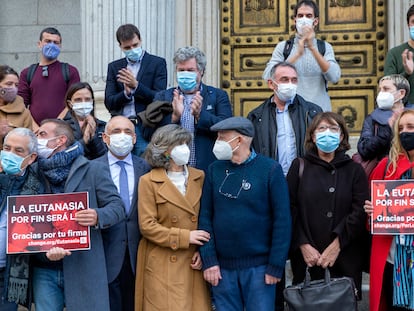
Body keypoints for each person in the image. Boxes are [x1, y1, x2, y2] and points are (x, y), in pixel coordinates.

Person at [198, 116, 291, 311]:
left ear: (239, 140)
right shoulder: (214, 170)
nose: (217, 143)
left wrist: (275, 265)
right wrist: (209, 261)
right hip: (222, 270)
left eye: (222, 138)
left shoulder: (270, 170)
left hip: (260, 269)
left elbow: (282, 221)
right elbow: (205, 217)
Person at [32, 119, 124, 311]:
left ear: (60, 140)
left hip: (84, 265)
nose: (36, 138)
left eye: (42, 135)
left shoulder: (93, 169)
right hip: (45, 268)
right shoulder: (33, 171)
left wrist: (98, 215)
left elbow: (117, 207)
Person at [286, 112, 368, 299]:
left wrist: (337, 245)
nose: (327, 133)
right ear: (313, 136)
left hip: (345, 256)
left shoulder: (354, 169)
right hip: (308, 259)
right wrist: (303, 244)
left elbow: (359, 211)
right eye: (321, 128)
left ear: (341, 137)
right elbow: (289, 209)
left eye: (333, 129)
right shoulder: (299, 166)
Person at [135, 124, 211, 311]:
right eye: (178, 144)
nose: (184, 148)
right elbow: (147, 226)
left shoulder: (199, 176)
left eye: (186, 143)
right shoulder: (148, 181)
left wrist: (204, 253)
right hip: (163, 261)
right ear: (164, 150)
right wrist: (185, 237)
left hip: (193, 261)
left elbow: (208, 218)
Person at [96, 116, 150, 311]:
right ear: (105, 138)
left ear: (135, 139)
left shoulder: (146, 168)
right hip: (106, 254)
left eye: (128, 132)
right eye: (116, 131)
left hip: (139, 255)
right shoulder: (92, 168)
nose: (122, 136)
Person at [148, 46, 233, 172]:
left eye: (190, 70)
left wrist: (200, 115)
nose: (185, 74)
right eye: (181, 70)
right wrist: (174, 117)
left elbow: (227, 129)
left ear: (201, 71)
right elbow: (150, 133)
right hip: (171, 168)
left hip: (206, 169)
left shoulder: (218, 96)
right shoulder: (163, 96)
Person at [364, 109, 414, 311]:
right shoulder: (387, 166)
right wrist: (371, 211)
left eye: (410, 127)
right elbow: (371, 211)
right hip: (393, 259)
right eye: (400, 128)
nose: (405, 133)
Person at [262, 0, 341, 112]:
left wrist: (313, 49)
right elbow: (268, 76)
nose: (304, 19)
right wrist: (297, 54)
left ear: (315, 21)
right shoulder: (283, 48)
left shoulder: (324, 47)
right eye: (300, 16)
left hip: (319, 113)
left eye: (308, 16)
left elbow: (334, 76)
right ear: (295, 20)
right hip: (291, 111)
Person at [248, 62, 322, 175]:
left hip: (306, 178)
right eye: (284, 79)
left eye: (294, 80)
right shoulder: (257, 116)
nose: (290, 84)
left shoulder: (313, 112)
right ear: (271, 84)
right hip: (271, 179)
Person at [105, 24, 167, 156]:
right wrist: (126, 93)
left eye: (135, 45)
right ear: (120, 46)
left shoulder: (157, 63)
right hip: (121, 127)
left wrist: (136, 86)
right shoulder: (114, 67)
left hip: (145, 126)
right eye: (127, 47)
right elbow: (109, 102)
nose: (132, 49)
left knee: (144, 166)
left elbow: (159, 97)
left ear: (140, 40)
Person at [0, 128, 42, 310]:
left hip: (7, 276)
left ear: (31, 158)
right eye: (7, 148)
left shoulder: (39, 188)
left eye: (18, 151)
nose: (10, 154)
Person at [18, 27, 80, 127]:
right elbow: (21, 104)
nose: (52, 45)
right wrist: (35, 127)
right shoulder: (27, 73)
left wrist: (57, 124)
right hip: (34, 131)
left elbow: (75, 100)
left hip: (63, 129)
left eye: (56, 42)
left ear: (60, 46)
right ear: (39, 44)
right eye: (48, 41)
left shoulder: (70, 71)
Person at [357, 74, 410, 162]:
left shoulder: (411, 114)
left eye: (386, 89)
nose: (381, 93)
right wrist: (387, 130)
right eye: (380, 90)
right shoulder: (372, 118)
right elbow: (364, 150)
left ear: (401, 93)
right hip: (384, 168)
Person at [62, 82, 107, 160]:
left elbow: (104, 156)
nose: (83, 103)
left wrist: (93, 136)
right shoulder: (62, 127)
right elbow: (63, 156)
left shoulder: (103, 126)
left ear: (92, 102)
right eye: (78, 100)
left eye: (87, 99)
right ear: (70, 103)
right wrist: (84, 141)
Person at [384, 4, 414, 105]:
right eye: (413, 22)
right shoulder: (394, 53)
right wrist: (406, 73)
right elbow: (388, 87)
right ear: (408, 25)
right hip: (404, 113)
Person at [0, 66, 33, 150]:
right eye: (9, 84)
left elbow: (28, 144)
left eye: (16, 85)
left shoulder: (24, 112)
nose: (13, 88)